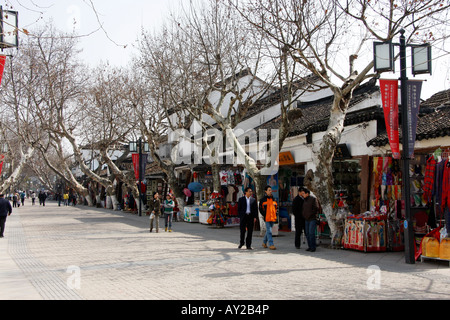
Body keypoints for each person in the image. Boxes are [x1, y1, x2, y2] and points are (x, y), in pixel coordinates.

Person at [299, 187, 320, 252]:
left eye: (303, 193)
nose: (303, 195)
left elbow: (316, 208)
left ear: (307, 193)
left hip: (312, 218)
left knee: (311, 233)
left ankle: (313, 247)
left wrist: (311, 214)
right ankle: (309, 246)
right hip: (306, 219)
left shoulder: (313, 199)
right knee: (307, 233)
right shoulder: (304, 200)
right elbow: (303, 209)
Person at [259, 185, 278, 250]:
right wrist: (264, 214)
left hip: (273, 217)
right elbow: (260, 209)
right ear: (266, 191)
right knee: (269, 231)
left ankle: (264, 242)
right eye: (269, 190)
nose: (270, 191)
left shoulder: (274, 199)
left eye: (271, 190)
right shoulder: (262, 200)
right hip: (267, 218)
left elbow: (276, 208)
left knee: (268, 231)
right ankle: (271, 244)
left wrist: (276, 214)